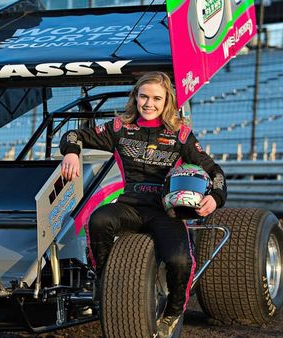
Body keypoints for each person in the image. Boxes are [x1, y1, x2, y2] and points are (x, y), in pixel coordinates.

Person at [59, 71, 227, 336]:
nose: (149, 104)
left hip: (166, 212)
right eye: (144, 96)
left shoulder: (181, 135)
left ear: (167, 101)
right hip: (129, 206)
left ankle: (172, 312)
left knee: (180, 261)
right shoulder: (119, 127)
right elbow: (73, 135)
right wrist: (71, 153)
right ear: (135, 97)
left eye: (156, 98)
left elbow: (215, 172)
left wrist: (214, 198)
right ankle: (104, 281)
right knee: (99, 218)